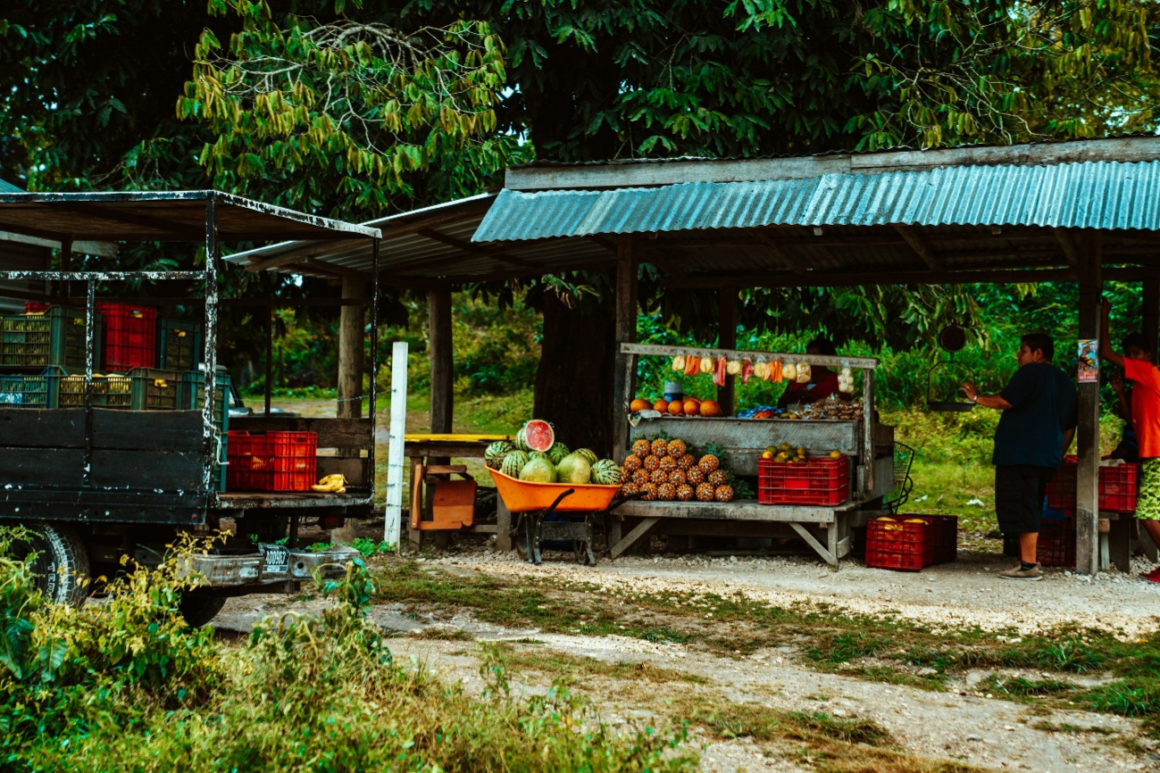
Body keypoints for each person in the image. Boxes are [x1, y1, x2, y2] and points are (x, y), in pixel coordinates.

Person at [961, 333, 1077, 581]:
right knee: (1032, 505)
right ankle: (1027, 560)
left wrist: (975, 398)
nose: (1018, 356)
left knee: (1024, 508)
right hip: (1045, 456)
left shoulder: (1031, 373)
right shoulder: (1065, 382)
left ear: (1038, 354)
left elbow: (1005, 401)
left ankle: (1028, 565)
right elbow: (1070, 427)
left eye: (1023, 350)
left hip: (1022, 454)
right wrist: (1057, 452)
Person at [1098, 301, 1160, 580]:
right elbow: (1129, 418)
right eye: (1129, 355)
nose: (1131, 358)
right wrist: (1121, 392)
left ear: (1147, 355)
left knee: (1147, 512)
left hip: (1157, 454)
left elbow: (1105, 352)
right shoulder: (1139, 384)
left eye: (1136, 354)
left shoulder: (1148, 372)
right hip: (1149, 454)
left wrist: (1102, 315)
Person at [778, 337, 844, 408]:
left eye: (815, 356)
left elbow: (842, 406)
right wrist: (794, 395)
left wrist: (814, 398)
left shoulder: (836, 380)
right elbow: (781, 403)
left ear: (826, 359)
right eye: (808, 356)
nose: (810, 360)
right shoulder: (798, 376)